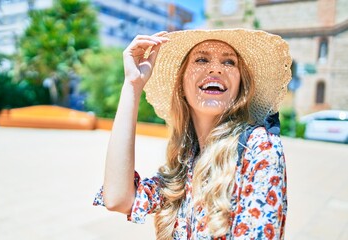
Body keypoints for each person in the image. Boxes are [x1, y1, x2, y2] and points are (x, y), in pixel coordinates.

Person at [93, 29, 292, 240]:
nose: (215, 69)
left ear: (240, 87)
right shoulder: (185, 162)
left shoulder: (258, 148)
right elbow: (117, 199)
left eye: (229, 63)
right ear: (181, 85)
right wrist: (132, 85)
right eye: (202, 59)